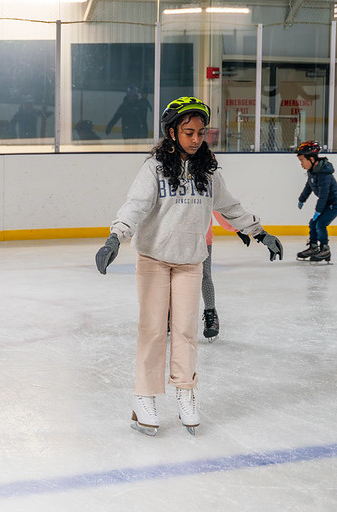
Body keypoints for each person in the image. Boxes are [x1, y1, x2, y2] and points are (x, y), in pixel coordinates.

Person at [95, 96, 282, 437]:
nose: (196, 139)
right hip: (153, 259)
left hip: (190, 262)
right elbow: (134, 206)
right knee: (152, 330)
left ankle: (185, 391)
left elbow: (231, 207)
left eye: (201, 132)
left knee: (185, 331)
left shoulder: (209, 172)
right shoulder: (153, 169)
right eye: (188, 132)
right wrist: (114, 238)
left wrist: (259, 232)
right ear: (171, 132)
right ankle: (145, 396)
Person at [200, 212, 252, 341]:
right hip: (175, 240)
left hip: (203, 239)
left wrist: (237, 228)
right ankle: (168, 314)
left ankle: (210, 313)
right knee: (172, 276)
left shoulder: (207, 190)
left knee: (205, 275)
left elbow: (219, 207)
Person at [294, 141, 337, 262]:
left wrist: (318, 210)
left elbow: (324, 195)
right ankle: (313, 247)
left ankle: (325, 249)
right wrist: (302, 199)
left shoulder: (323, 174)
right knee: (313, 223)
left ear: (311, 159)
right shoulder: (313, 171)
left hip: (335, 204)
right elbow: (309, 186)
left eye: (302, 160)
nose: (301, 164)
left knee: (320, 224)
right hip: (327, 203)